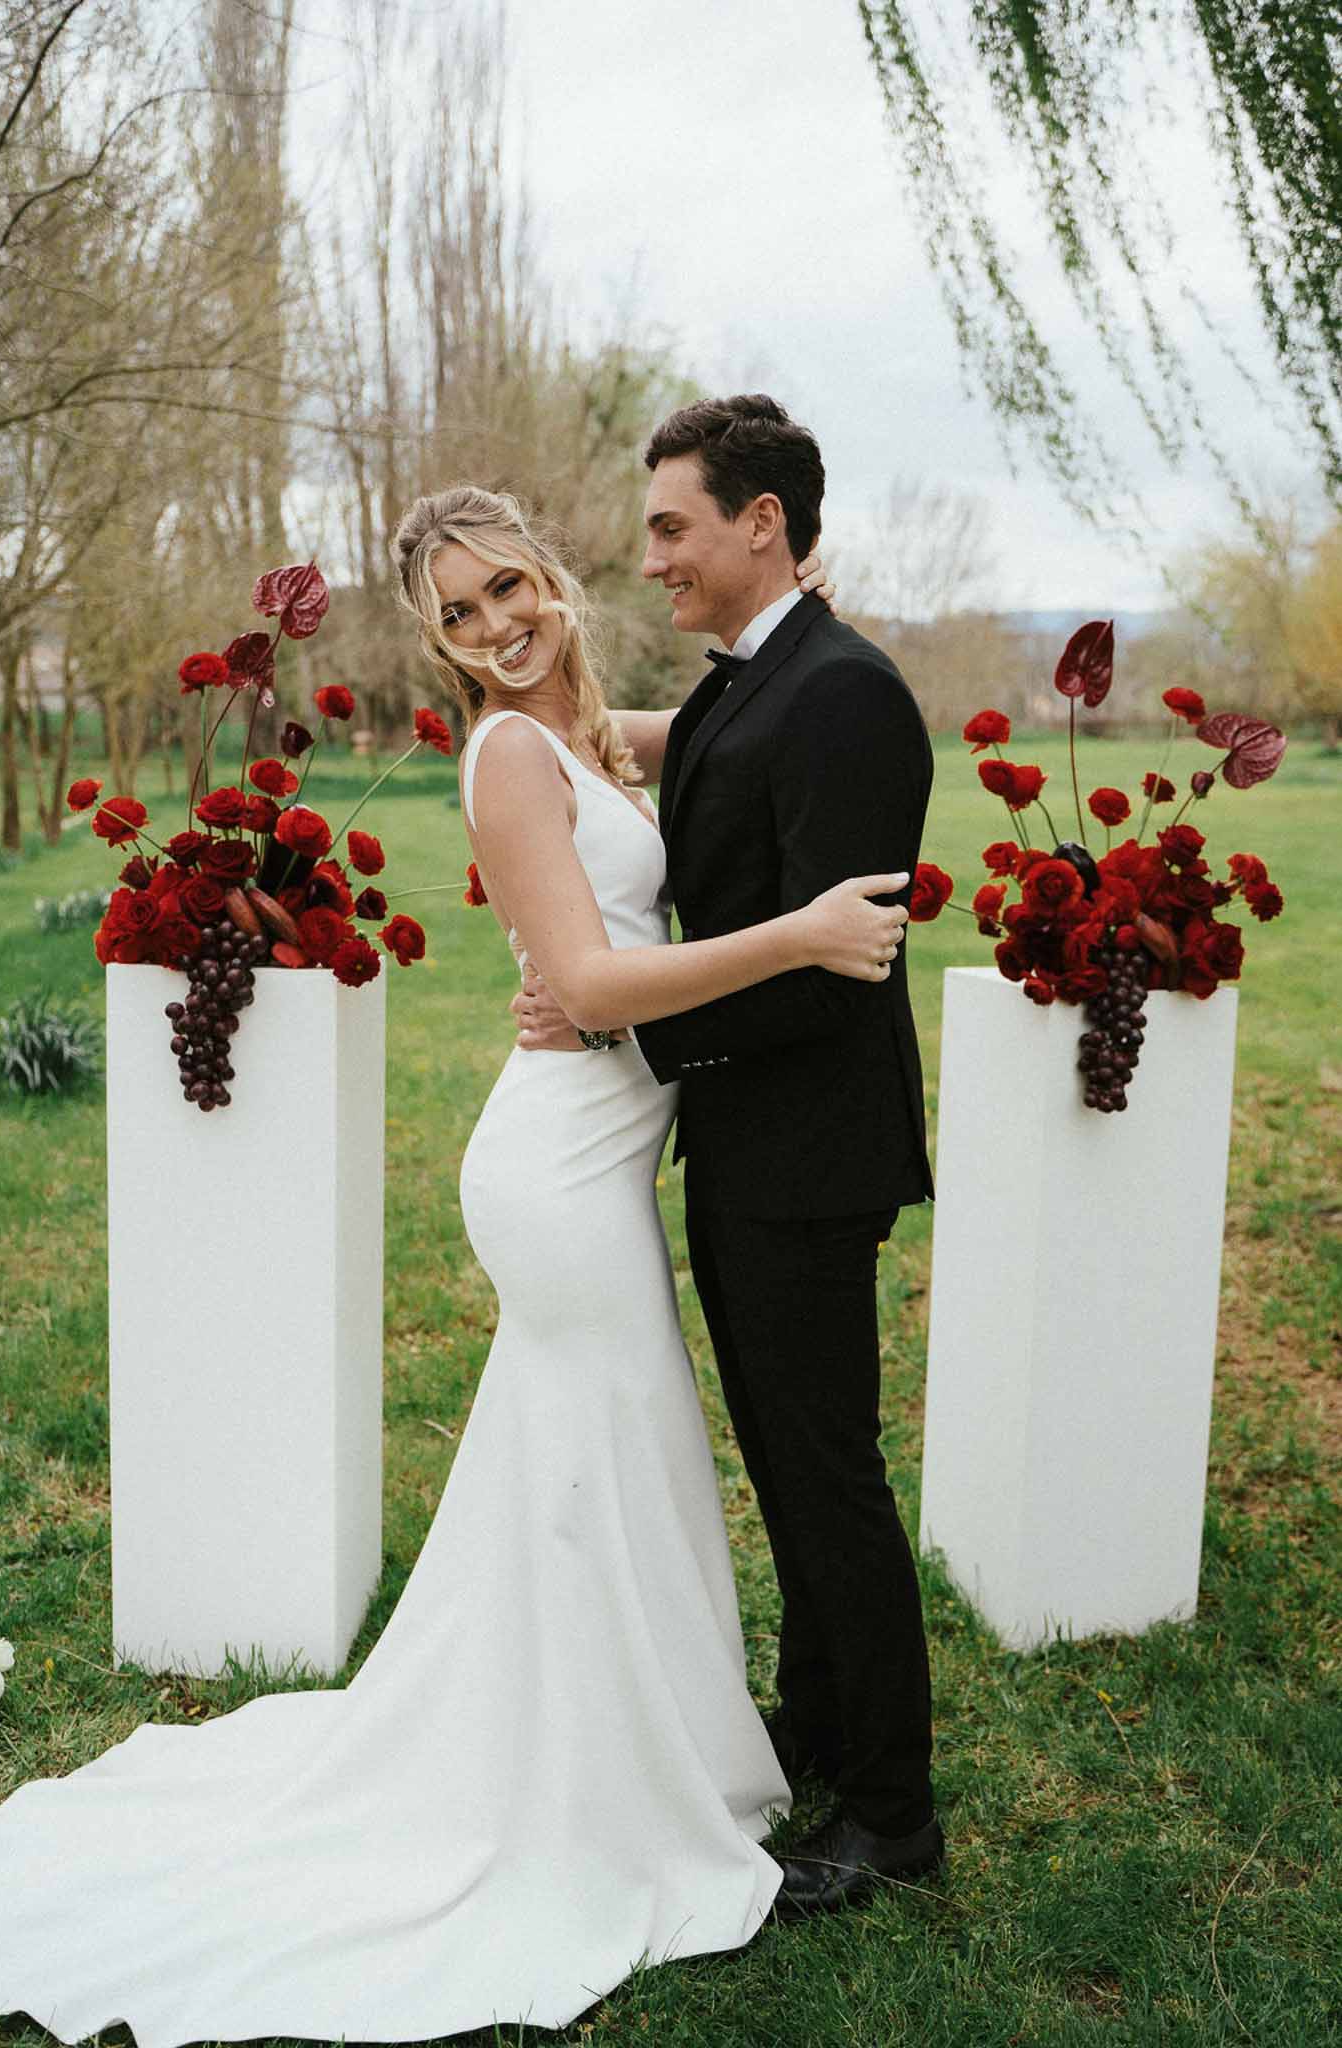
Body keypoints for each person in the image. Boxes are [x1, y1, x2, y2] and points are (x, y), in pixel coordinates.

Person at [0, 485, 908, 2046]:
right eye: (458, 617)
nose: (494, 628)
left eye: (505, 589)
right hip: (558, 1175)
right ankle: (588, 1782)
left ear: (549, 574)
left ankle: (632, 1746)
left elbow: (743, 721)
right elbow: (590, 980)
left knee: (601, 1462)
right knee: (605, 1454)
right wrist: (797, 935)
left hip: (601, 1153)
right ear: (440, 642)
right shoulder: (505, 756)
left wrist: (801, 609)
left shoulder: (592, 732)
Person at [514, 394, 942, 1914]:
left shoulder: (843, 694)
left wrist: (627, 1027)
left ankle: (891, 1815)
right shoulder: (751, 683)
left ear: (763, 522)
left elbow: (840, 969)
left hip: (811, 1154)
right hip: (750, 1147)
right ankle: (817, 1728)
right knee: (789, 1463)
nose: (653, 561)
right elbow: (652, 755)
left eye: (672, 528)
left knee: (827, 1479)